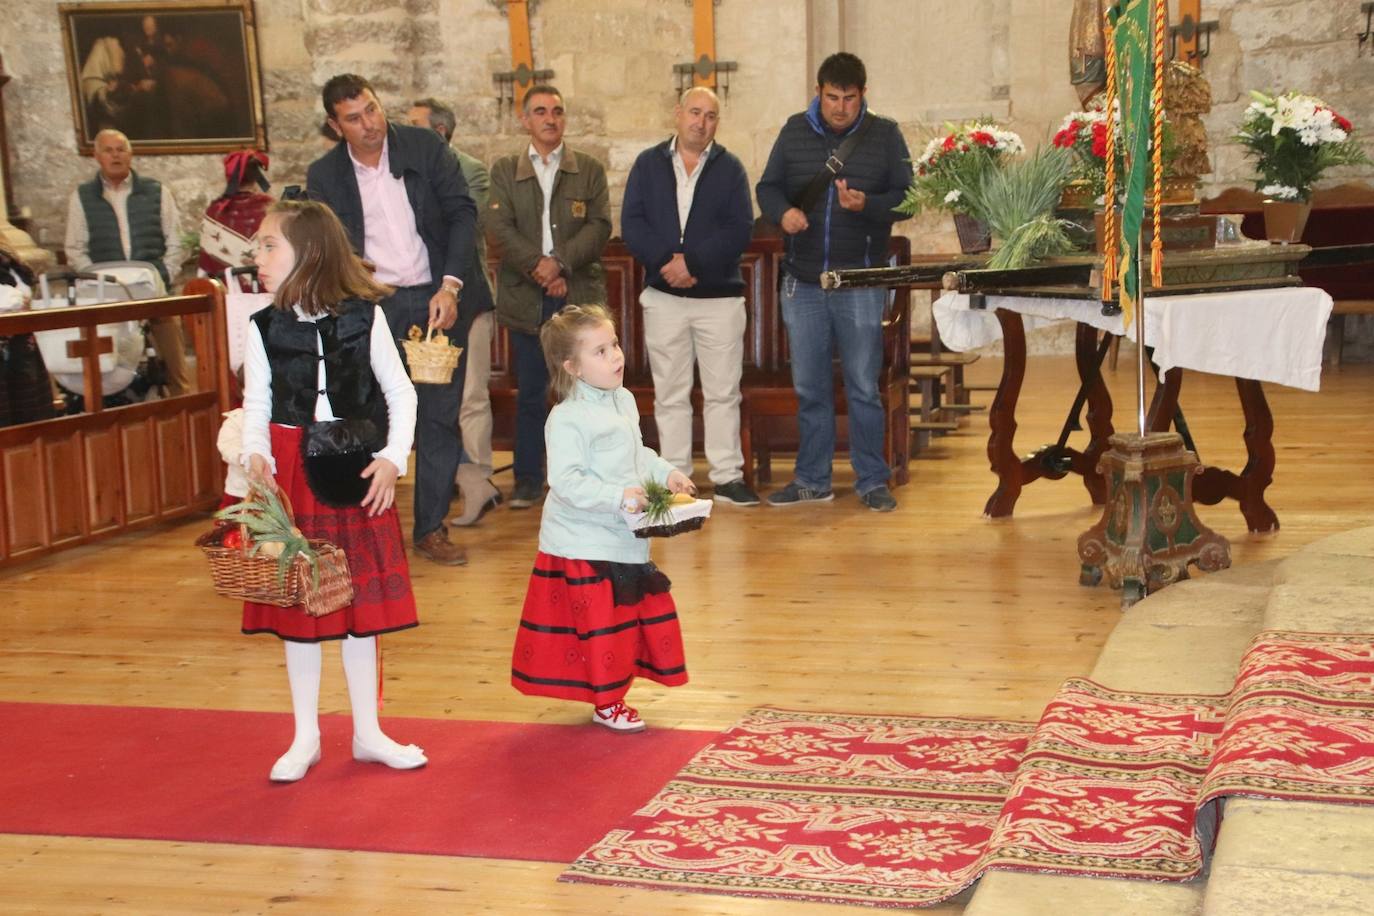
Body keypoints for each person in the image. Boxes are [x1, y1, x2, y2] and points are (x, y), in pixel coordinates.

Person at [240, 199, 425, 782]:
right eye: (258, 246)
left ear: (311, 252)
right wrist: (257, 455)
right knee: (303, 606)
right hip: (293, 476)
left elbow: (402, 394)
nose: (258, 256)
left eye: (270, 245)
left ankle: (368, 732)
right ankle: (305, 736)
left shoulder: (364, 318)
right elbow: (257, 405)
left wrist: (394, 460)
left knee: (358, 608)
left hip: (355, 471)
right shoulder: (262, 326)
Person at [306, 74, 479, 566]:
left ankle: (430, 530)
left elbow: (463, 213)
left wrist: (451, 285)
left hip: (435, 297)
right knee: (371, 419)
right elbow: (327, 242)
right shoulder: (325, 175)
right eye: (354, 118)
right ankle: (371, 533)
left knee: (439, 418)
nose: (370, 125)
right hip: (371, 305)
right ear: (336, 126)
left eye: (373, 110)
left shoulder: (423, 146)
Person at [510, 304, 692, 732]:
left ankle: (612, 695)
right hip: (581, 543)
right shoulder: (567, 417)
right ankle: (608, 703)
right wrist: (617, 496)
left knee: (625, 623)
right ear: (571, 367)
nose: (616, 356)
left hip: (623, 537)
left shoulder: (623, 400)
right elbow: (566, 481)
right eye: (600, 351)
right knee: (601, 627)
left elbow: (637, 454)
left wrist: (667, 473)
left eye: (614, 345)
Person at [755, 52, 912, 512]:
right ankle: (812, 480)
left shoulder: (884, 136)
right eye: (831, 97)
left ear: (863, 95)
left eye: (849, 98)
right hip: (803, 282)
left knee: (864, 385)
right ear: (818, 92)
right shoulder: (794, 131)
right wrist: (782, 212)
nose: (840, 107)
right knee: (810, 388)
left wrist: (870, 205)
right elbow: (768, 188)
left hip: (860, 283)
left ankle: (871, 480)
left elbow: (908, 199)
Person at [620, 87, 758, 507]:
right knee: (671, 392)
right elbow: (633, 222)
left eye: (711, 116)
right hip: (664, 298)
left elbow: (738, 230)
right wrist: (667, 262)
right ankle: (674, 477)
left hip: (718, 300)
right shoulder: (648, 165)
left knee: (722, 391)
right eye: (695, 112)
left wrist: (691, 263)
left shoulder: (730, 168)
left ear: (718, 122)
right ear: (678, 114)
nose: (701, 122)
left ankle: (728, 476)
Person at [487, 85, 611, 510]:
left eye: (557, 111)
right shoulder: (505, 170)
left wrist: (560, 264)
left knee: (588, 392)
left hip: (577, 294)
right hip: (527, 297)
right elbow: (499, 229)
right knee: (533, 392)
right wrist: (540, 269)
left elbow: (599, 227)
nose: (550, 118)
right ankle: (527, 480)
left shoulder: (588, 170)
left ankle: (592, 478)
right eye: (540, 111)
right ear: (525, 120)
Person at [406, 98, 501, 525]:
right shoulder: (400, 169)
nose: (402, 133)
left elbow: (461, 224)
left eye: (415, 126)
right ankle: (455, 483)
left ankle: (478, 481)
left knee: (470, 398)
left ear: (440, 132)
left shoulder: (471, 170)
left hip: (468, 299)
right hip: (418, 302)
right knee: (425, 402)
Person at [64, 128, 194, 397]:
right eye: (108, 150)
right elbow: (75, 248)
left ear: (130, 154)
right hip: (107, 293)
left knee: (172, 348)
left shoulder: (157, 192)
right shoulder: (82, 197)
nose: (115, 155)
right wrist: (95, 281)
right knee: (102, 359)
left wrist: (164, 274)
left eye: (121, 149)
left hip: (152, 286)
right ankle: (109, 402)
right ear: (97, 156)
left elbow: (177, 240)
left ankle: (182, 399)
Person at [0, 235, 57, 426]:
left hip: (21, 349)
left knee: (30, 419)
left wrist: (18, 302)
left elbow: (23, 292)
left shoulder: (7, 255)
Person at [199, 150, 274, 289]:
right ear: (256, 176)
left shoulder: (215, 211)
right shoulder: (271, 209)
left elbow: (207, 267)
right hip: (269, 294)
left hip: (229, 298)